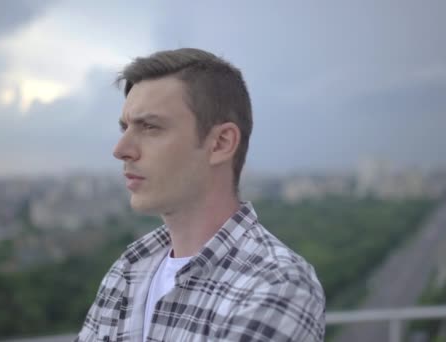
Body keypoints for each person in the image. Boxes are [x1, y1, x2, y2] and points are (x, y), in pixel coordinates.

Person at [75, 48, 325, 342]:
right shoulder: (130, 267)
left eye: (150, 127)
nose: (121, 150)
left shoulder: (276, 284)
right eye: (125, 127)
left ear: (220, 143)